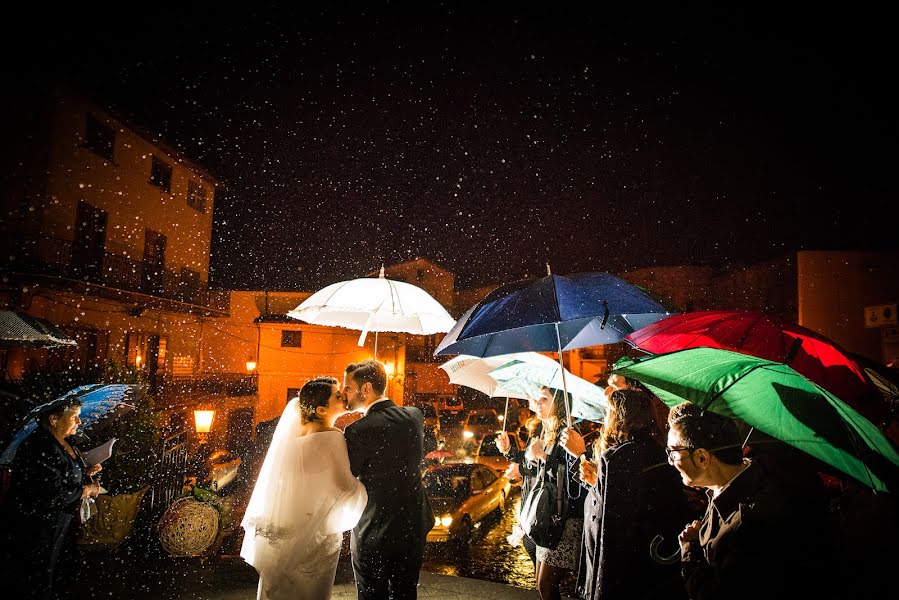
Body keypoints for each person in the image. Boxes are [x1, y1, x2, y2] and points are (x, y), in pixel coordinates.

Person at [667, 401, 830, 600]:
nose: (670, 460)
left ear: (702, 458)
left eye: (674, 452)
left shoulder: (747, 527)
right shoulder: (751, 474)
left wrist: (690, 550)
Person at [560, 388, 696, 600]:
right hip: (646, 568)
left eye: (608, 413)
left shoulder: (619, 457)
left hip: (621, 573)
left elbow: (613, 526)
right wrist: (596, 482)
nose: (605, 419)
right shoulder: (655, 450)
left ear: (620, 417)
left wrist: (602, 591)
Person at [240, 377, 367, 600]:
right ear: (321, 409)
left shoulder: (294, 441)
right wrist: (366, 488)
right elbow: (345, 488)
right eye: (337, 396)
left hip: (288, 529)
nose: (344, 397)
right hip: (316, 534)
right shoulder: (333, 437)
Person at [342, 360, 434, 600]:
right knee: (405, 593)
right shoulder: (414, 416)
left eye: (348, 388)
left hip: (375, 529)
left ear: (366, 389)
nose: (344, 394)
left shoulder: (357, 431)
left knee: (372, 595)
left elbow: (348, 476)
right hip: (413, 524)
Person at [1, 397, 101, 600]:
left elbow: (66, 474)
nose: (79, 422)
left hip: (61, 526)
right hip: (39, 529)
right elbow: (50, 493)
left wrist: (86, 473)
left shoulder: (66, 441)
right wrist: (85, 490)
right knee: (38, 579)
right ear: (53, 419)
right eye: (74, 417)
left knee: (61, 573)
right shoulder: (40, 447)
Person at [522, 386, 586, 600]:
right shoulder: (546, 431)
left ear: (558, 402)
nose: (538, 403)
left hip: (564, 519)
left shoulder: (568, 433)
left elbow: (572, 479)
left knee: (546, 585)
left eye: (544, 399)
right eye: (537, 399)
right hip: (548, 517)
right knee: (542, 584)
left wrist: (542, 457)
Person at [498, 413, 543, 565]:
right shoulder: (538, 428)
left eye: (543, 398)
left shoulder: (549, 430)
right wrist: (508, 450)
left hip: (541, 508)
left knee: (545, 580)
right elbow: (528, 460)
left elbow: (546, 467)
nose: (535, 402)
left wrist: (522, 470)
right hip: (530, 507)